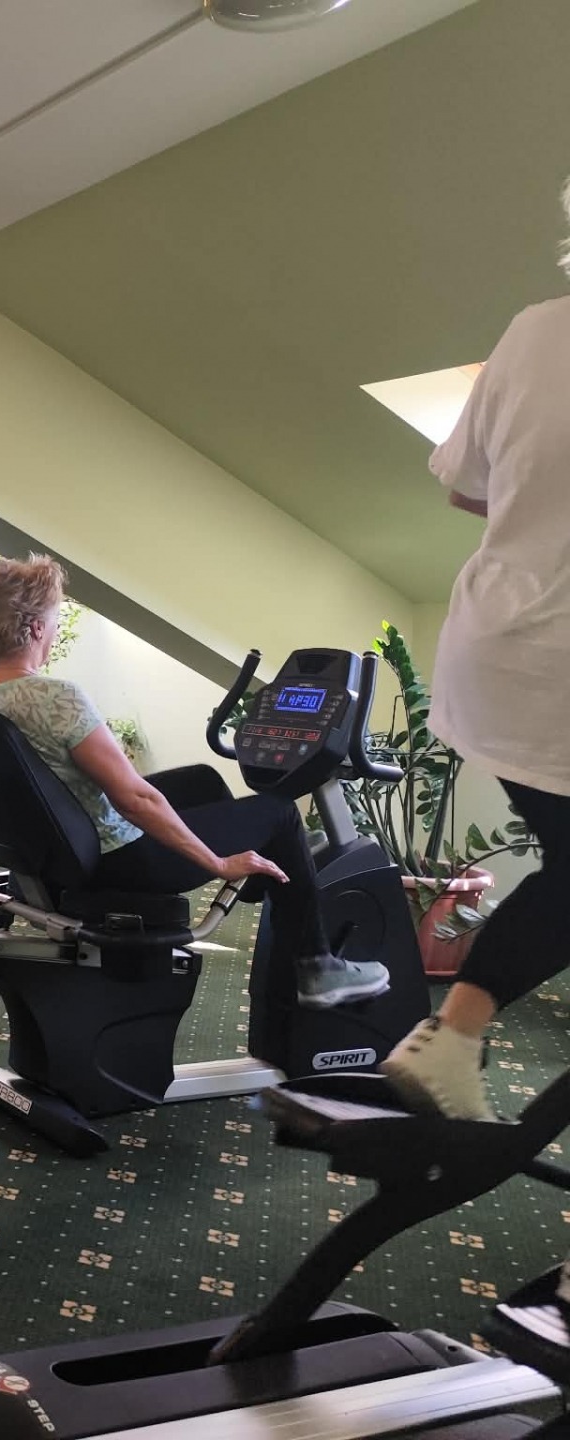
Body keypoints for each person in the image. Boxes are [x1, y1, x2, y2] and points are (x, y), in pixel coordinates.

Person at [0, 554, 391, 1009]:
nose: (54, 627)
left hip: (60, 847)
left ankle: (270, 873)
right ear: (33, 628)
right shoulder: (56, 698)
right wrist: (217, 863)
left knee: (201, 780)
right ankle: (316, 966)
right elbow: (134, 799)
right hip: (119, 860)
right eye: (53, 618)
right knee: (281, 812)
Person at [380, 186, 570, 1124]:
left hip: (497, 650)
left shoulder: (536, 329)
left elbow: (466, 488)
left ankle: (452, 1038)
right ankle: (452, 1039)